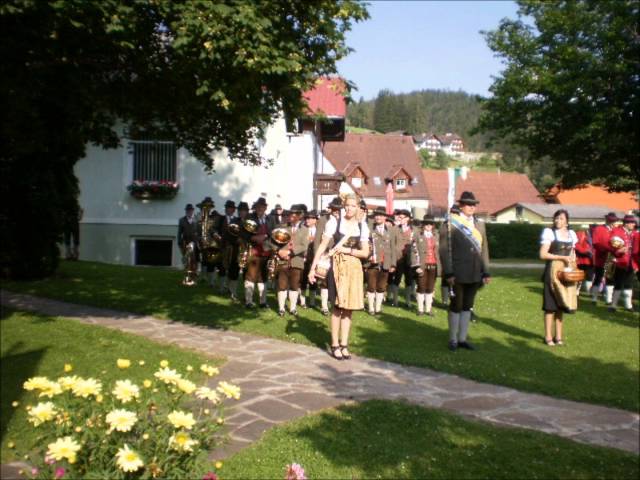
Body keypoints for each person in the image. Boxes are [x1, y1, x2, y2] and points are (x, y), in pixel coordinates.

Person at [309, 194, 370, 360]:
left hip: (354, 269)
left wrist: (346, 250)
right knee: (337, 307)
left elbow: (365, 252)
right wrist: (312, 268)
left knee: (348, 309)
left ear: (358, 208)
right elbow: (322, 246)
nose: (349, 209)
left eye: (353, 206)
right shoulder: (334, 222)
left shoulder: (362, 226)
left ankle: (344, 344)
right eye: (347, 206)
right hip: (337, 268)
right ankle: (335, 344)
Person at [439, 192, 490, 351]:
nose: (472, 207)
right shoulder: (450, 223)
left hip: (475, 272)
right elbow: (443, 250)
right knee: (456, 305)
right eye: (468, 204)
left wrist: (486, 271)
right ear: (461, 206)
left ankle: (462, 338)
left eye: (474, 204)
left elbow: (484, 249)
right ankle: (453, 338)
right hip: (458, 272)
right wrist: (448, 272)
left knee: (468, 305)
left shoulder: (479, 224)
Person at [539, 209, 578, 346]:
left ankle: (559, 337)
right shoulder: (549, 233)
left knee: (562, 304)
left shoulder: (572, 235)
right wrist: (561, 257)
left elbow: (573, 254)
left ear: (567, 221)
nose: (558, 221)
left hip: (566, 272)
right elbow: (543, 254)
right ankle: (548, 336)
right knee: (550, 306)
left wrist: (573, 264)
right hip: (552, 271)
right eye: (556, 218)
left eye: (561, 218)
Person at [274, 205, 309, 316]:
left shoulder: (305, 230)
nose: (292, 216)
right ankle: (281, 308)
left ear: (299, 216)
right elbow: (273, 242)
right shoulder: (282, 227)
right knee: (282, 284)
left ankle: (293, 308)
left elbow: (304, 246)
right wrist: (279, 252)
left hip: (296, 261)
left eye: (295, 215)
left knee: (294, 285)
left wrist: (290, 252)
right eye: (291, 214)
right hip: (282, 260)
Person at [243, 197, 275, 308]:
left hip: (266, 251)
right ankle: (248, 301)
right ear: (255, 208)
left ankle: (263, 301)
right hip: (254, 251)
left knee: (263, 277)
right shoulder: (250, 217)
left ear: (265, 208)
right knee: (251, 276)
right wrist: (254, 238)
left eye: (262, 207)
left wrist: (266, 237)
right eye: (258, 207)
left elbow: (274, 234)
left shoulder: (270, 219)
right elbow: (244, 234)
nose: (260, 208)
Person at [313, 197, 343, 315]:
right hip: (326, 254)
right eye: (334, 208)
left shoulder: (345, 221)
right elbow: (317, 240)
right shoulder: (323, 219)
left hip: (340, 256)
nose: (336, 211)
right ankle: (324, 305)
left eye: (338, 209)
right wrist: (318, 257)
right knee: (324, 281)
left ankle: (336, 303)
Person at [365, 207, 396, 315]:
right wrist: (367, 256)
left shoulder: (390, 230)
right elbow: (364, 245)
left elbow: (393, 248)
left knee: (382, 286)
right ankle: (371, 308)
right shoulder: (369, 229)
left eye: (380, 215)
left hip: (385, 263)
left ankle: (378, 308)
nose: (378, 217)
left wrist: (393, 264)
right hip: (372, 263)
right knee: (371, 286)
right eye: (376, 215)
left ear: (385, 217)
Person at [412, 215, 440, 316]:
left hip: (433, 265)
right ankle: (420, 309)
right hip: (422, 265)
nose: (428, 226)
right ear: (423, 225)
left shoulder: (436, 236)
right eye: (426, 224)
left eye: (430, 224)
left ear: (433, 225)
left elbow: (439, 251)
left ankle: (428, 309)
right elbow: (413, 252)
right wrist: (417, 266)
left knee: (430, 287)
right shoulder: (417, 235)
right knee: (421, 286)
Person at [609, 215, 638, 312]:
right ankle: (613, 305)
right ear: (627, 223)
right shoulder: (617, 231)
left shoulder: (635, 233)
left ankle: (628, 305)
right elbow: (612, 246)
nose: (633, 225)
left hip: (631, 263)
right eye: (632, 223)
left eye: (634, 223)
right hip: (620, 262)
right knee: (618, 284)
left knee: (629, 284)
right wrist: (619, 251)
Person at [591, 212, 620, 304]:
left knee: (610, 278)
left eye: (614, 221)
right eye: (611, 221)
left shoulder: (616, 230)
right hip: (601, 257)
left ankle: (608, 299)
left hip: (613, 258)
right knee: (598, 278)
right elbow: (595, 243)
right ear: (607, 220)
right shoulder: (599, 229)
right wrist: (606, 249)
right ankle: (594, 298)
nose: (612, 223)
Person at [389, 209, 415, 308]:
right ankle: (395, 300)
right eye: (399, 217)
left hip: (409, 258)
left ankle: (408, 301)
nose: (401, 219)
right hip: (398, 258)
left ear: (408, 218)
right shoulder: (394, 229)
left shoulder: (413, 230)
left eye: (403, 217)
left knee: (409, 280)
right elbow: (391, 245)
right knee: (397, 279)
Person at [219, 200, 240, 301]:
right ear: (226, 209)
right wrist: (216, 235)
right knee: (223, 267)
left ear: (234, 210)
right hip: (223, 246)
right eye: (228, 208)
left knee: (233, 268)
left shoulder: (237, 220)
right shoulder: (220, 218)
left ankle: (231, 290)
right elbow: (213, 229)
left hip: (234, 248)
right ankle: (222, 287)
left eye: (231, 208)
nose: (229, 210)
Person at [300, 210, 319, 308]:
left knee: (314, 280)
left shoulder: (319, 229)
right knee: (303, 279)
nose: (307, 220)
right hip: (304, 257)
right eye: (306, 218)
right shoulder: (302, 228)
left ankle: (312, 301)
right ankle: (302, 301)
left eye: (309, 218)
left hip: (315, 258)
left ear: (315, 220)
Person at [178, 203, 199, 286]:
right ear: (186, 211)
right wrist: (179, 242)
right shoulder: (182, 220)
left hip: (194, 242)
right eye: (188, 210)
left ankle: (193, 279)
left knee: (194, 262)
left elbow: (199, 231)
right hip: (185, 242)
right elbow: (179, 232)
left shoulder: (197, 219)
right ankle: (186, 278)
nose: (189, 212)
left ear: (193, 211)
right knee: (186, 261)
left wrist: (198, 241)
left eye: (191, 210)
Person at [574, 226, 594, 294]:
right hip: (581, 260)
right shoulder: (580, 234)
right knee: (579, 277)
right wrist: (585, 251)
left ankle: (589, 292)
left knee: (589, 277)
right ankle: (577, 291)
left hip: (591, 261)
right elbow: (576, 245)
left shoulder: (594, 236)